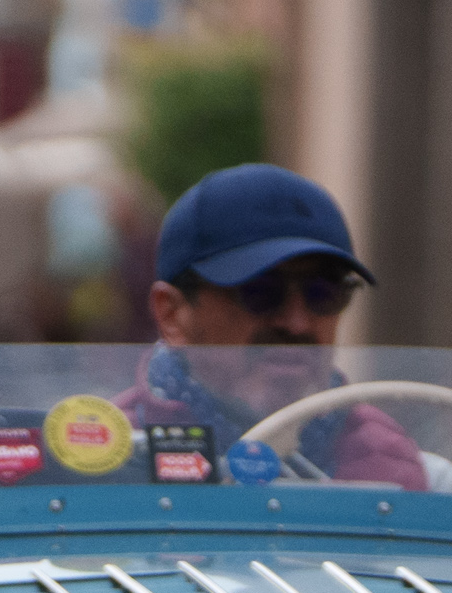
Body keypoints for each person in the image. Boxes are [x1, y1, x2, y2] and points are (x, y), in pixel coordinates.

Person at [127, 163, 432, 491]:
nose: (297, 324)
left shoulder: (410, 473)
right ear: (172, 314)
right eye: (259, 292)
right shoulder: (107, 459)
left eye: (324, 293)